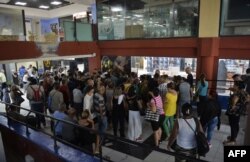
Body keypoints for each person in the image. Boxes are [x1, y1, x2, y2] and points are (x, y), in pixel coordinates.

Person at [223, 81, 248, 145]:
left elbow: (234, 102)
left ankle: (232, 141)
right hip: (238, 112)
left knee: (233, 126)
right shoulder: (244, 93)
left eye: (235, 85)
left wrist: (233, 106)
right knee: (236, 125)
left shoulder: (237, 94)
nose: (233, 86)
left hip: (233, 112)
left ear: (237, 86)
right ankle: (233, 137)